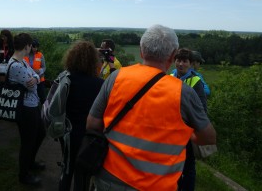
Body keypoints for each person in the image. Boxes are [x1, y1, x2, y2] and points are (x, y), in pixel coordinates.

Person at [86, 25, 216, 190]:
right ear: (172, 55)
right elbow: (209, 138)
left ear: (141, 51)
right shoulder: (183, 92)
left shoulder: (116, 77)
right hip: (156, 184)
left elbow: (92, 124)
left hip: (109, 178)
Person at [59, 41, 104, 191]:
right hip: (88, 135)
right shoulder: (100, 84)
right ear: (93, 61)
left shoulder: (67, 79)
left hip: (67, 131)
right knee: (83, 174)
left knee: (67, 169)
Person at [7, 33, 45, 186]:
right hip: (25, 108)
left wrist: (34, 78)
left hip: (33, 104)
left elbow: (35, 77)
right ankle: (24, 175)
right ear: (27, 46)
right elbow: (33, 85)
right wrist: (35, 79)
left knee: (40, 133)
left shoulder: (22, 62)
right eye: (30, 45)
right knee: (28, 141)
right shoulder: (16, 65)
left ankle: (30, 162)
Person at [172, 48, 207, 191]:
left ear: (191, 63)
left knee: (188, 167)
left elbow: (202, 109)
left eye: (184, 61)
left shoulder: (196, 81)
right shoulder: (170, 77)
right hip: (172, 130)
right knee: (173, 164)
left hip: (187, 131)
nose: (181, 64)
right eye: (178, 60)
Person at [23, 39, 46, 104]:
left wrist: (39, 71)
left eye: (36, 47)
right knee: (29, 99)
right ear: (30, 46)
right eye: (34, 47)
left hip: (40, 81)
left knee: (43, 99)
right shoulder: (24, 55)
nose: (35, 49)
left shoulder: (40, 55)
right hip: (29, 81)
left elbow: (44, 67)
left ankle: (44, 112)